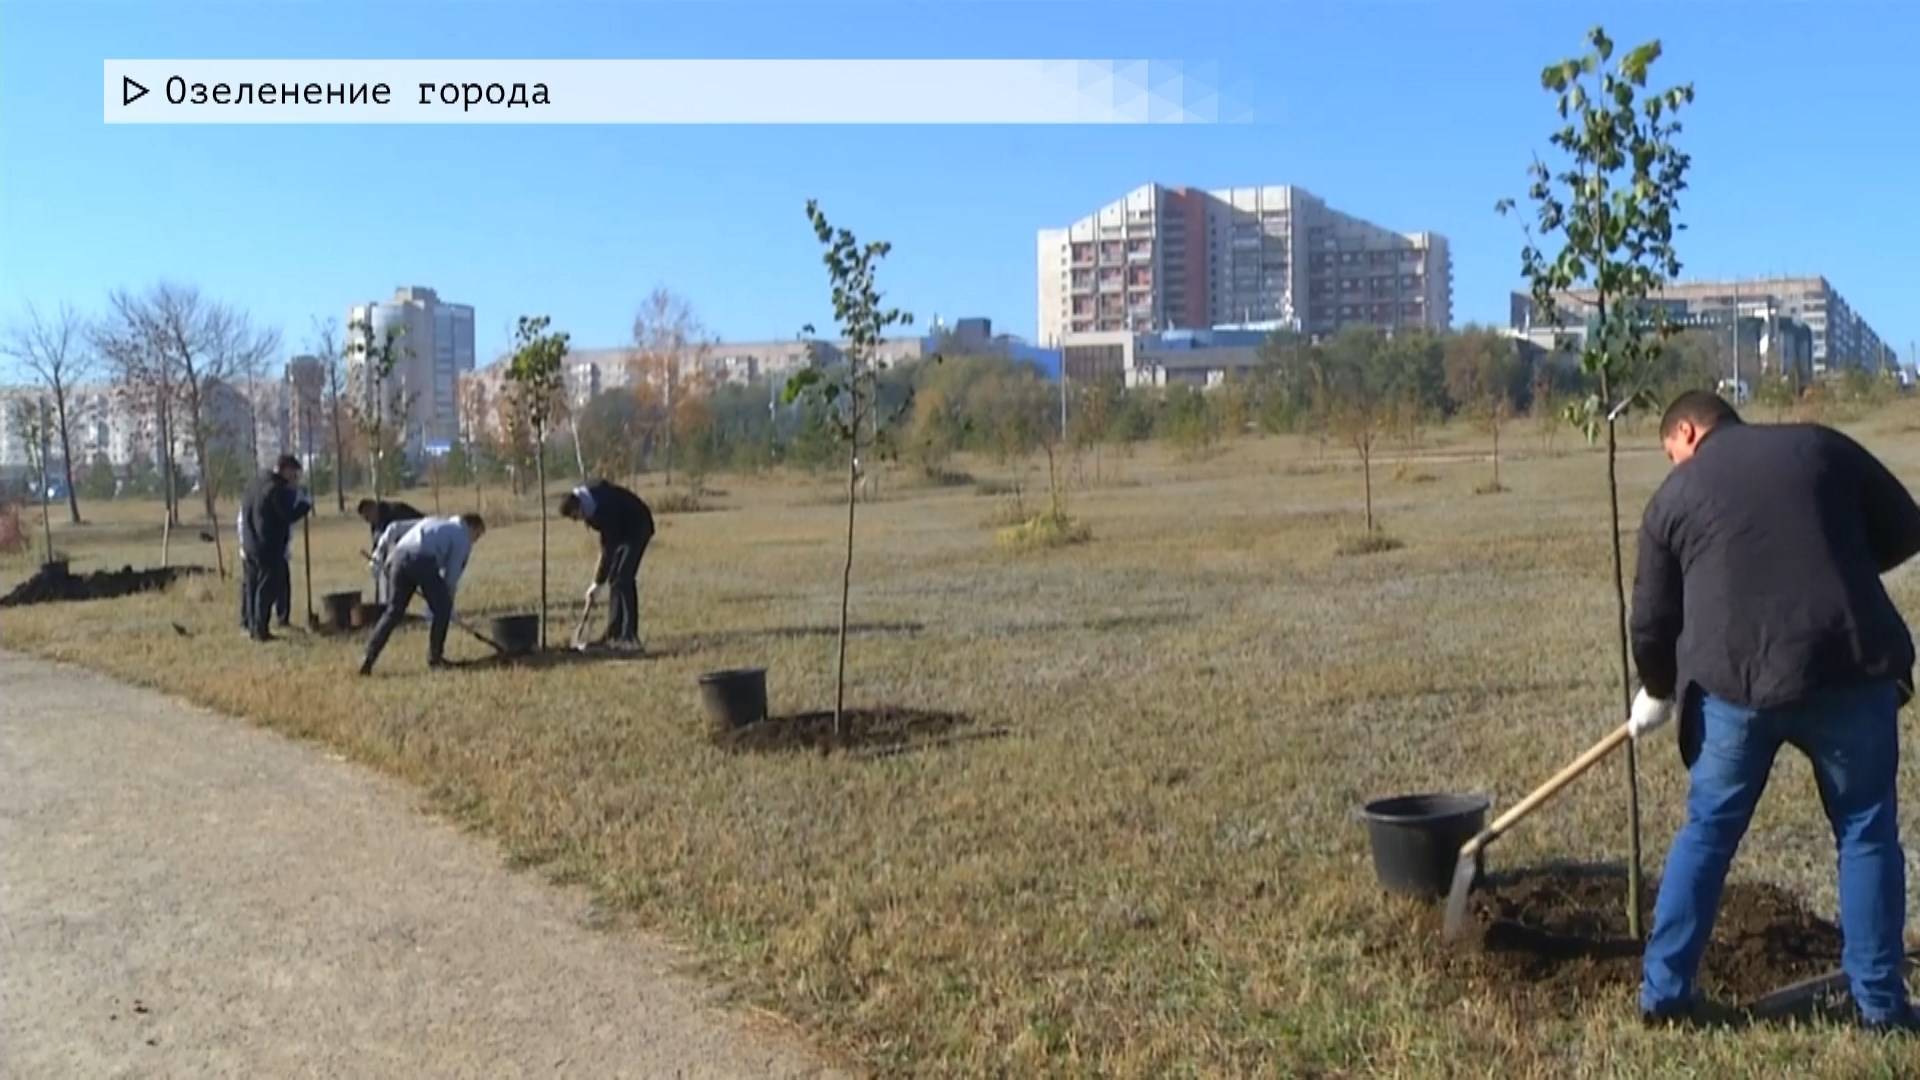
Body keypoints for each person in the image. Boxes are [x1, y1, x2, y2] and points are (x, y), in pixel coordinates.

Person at [1629, 390, 1920, 1030]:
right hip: (1850, 666)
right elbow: (1906, 525)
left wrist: (1655, 687)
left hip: (1735, 687)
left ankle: (1665, 998)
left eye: (1671, 452)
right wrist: (1834, 559)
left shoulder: (1675, 497)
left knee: (1707, 834)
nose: (1675, 465)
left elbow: (1651, 617)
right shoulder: (1820, 444)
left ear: (1687, 430)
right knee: (1866, 832)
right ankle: (1882, 1009)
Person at [360, 513, 486, 675]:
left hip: (398, 558)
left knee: (393, 612)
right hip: (422, 560)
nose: (475, 540)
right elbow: (451, 578)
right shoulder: (462, 537)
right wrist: (446, 607)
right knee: (442, 609)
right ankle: (435, 659)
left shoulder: (433, 521)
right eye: (477, 535)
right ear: (472, 527)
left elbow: (396, 528)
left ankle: (368, 657)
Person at [558, 482, 655, 650]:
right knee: (614, 579)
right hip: (622, 530)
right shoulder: (589, 504)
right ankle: (614, 633)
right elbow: (607, 544)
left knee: (624, 578)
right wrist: (600, 580)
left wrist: (596, 583)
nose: (577, 520)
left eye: (575, 516)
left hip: (638, 526)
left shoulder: (601, 506)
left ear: (579, 507)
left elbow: (609, 546)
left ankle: (630, 636)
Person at [239, 455, 312, 643]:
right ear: (285, 469)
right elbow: (287, 515)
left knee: (252, 586)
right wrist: (304, 505)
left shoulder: (255, 483)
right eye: (294, 474)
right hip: (268, 545)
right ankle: (260, 630)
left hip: (250, 542)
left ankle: (249, 624)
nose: (294, 479)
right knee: (266, 588)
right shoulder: (275, 489)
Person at [358, 498, 425, 605]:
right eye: (366, 519)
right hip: (392, 562)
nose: (368, 521)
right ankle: (387, 606)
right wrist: (375, 559)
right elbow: (377, 545)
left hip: (415, 552)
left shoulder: (397, 510)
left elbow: (422, 523)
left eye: (367, 517)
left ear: (373, 507)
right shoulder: (375, 524)